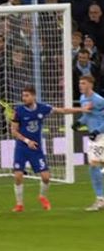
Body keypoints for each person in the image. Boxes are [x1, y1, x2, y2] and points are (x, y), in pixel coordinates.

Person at [11, 85, 89, 212]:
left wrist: (81, 109)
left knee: (46, 177)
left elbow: (62, 110)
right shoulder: (18, 111)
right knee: (18, 175)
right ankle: (19, 204)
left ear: (34, 96)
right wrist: (26, 140)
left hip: (36, 148)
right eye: (23, 95)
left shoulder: (43, 108)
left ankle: (42, 197)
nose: (24, 98)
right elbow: (13, 131)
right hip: (22, 147)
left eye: (27, 95)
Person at [71, 75, 104, 211]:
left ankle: (100, 199)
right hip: (94, 137)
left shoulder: (99, 100)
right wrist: (79, 123)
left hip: (101, 136)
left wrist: (97, 130)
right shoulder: (83, 98)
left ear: (90, 84)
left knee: (94, 167)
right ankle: (100, 199)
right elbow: (87, 115)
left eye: (83, 83)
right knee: (98, 167)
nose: (80, 85)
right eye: (80, 83)